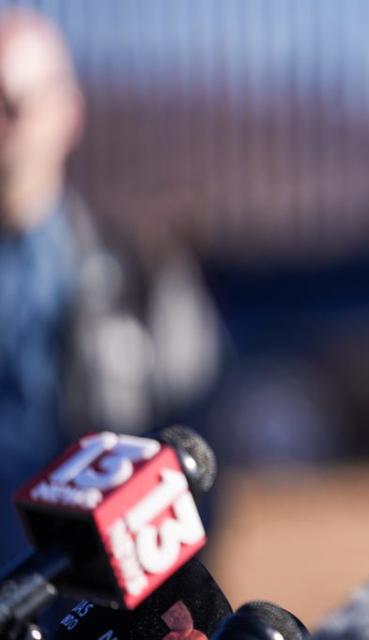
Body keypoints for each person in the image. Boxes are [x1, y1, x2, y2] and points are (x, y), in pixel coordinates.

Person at [0, 8, 220, 567]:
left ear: (67, 112)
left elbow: (199, 454)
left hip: (93, 604)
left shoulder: (142, 273)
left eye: (12, 105)